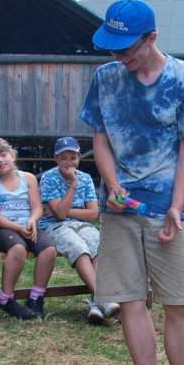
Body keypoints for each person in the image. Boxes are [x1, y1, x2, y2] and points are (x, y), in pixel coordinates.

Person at [79, 0, 184, 365]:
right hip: (119, 210)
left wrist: (177, 206)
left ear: (152, 37)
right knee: (129, 300)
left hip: (168, 210)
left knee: (178, 302)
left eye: (126, 48)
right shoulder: (106, 78)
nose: (118, 56)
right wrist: (114, 185)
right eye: (112, 48)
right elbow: (100, 139)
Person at [37, 136, 117, 324]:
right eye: (63, 157)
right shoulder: (49, 178)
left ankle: (96, 304)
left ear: (79, 158)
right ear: (56, 159)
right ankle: (102, 297)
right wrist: (73, 186)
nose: (68, 162)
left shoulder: (86, 178)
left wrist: (67, 210)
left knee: (98, 244)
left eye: (73, 157)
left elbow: (93, 213)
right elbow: (59, 216)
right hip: (55, 227)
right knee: (77, 247)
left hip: (83, 225)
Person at [0, 137, 57, 321]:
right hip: (4, 228)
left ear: (12, 155)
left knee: (49, 250)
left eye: (3, 154)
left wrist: (32, 220)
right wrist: (17, 227)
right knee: (18, 249)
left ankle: (36, 297)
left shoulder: (28, 178)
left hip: (29, 225)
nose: (0, 160)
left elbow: (37, 207)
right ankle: (6, 298)